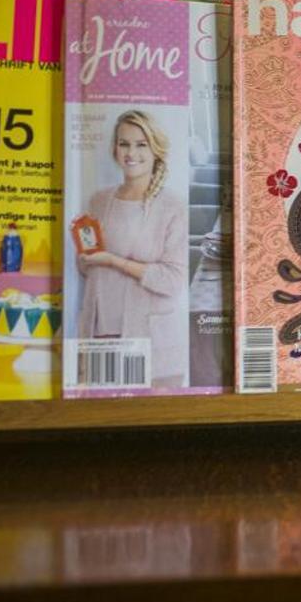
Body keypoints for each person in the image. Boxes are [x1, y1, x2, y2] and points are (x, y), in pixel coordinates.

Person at [74, 109, 190, 391]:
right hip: (99, 336)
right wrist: (85, 258)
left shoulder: (172, 206)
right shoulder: (99, 200)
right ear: (114, 149)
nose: (131, 153)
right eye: (124, 143)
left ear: (156, 150)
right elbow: (87, 268)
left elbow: (173, 280)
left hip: (151, 345)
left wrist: (113, 261)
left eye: (141, 144)